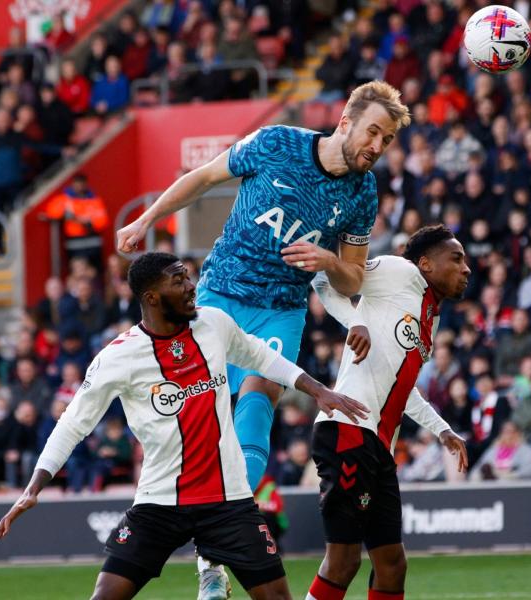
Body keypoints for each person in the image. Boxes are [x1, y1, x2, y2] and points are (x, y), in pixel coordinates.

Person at [116, 81, 410, 599]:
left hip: (282, 310)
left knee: (255, 411)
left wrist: (328, 262)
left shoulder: (363, 194)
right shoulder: (276, 143)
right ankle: (181, 540)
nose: (377, 146)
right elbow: (204, 177)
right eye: (372, 132)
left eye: (386, 140)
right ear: (345, 122)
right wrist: (148, 218)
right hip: (219, 296)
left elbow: (353, 280)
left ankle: (213, 555)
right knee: (202, 420)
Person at [0, 252, 367, 600]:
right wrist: (34, 487)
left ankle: (212, 569)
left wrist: (319, 390)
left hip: (228, 500)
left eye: (188, 277)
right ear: (152, 298)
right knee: (106, 595)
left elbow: (263, 357)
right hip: (160, 501)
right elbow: (73, 424)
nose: (191, 286)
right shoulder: (117, 357)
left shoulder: (214, 324)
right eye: (179, 281)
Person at [306, 225, 470, 600]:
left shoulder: (431, 315)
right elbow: (323, 279)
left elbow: (402, 383)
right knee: (344, 560)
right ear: (426, 263)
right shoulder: (400, 272)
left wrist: (441, 429)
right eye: (456, 259)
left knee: (392, 564)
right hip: (348, 429)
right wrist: (355, 320)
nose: (466, 268)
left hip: (377, 445)